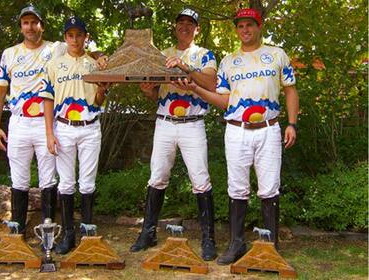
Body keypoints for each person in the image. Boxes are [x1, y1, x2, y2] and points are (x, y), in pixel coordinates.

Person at [174, 8, 299, 265]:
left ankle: (270, 246)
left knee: (269, 188)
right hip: (236, 130)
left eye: (249, 25)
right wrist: (195, 87)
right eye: (240, 26)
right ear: (236, 29)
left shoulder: (276, 54)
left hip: (269, 128)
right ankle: (236, 244)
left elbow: (290, 90)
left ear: (259, 26)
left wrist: (292, 124)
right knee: (237, 188)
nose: (245, 30)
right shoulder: (229, 61)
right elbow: (223, 101)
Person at [0, 5, 107, 236]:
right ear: (21, 27)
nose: (30, 27)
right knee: (19, 179)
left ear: (42, 26)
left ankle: (49, 231)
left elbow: (84, 49)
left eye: (34, 22)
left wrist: (101, 57)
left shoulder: (56, 49)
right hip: (19, 121)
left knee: (49, 178)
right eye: (26, 22)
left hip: (48, 122)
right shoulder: (9, 54)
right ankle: (18, 233)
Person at [130, 8, 218, 261]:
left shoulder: (204, 55)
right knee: (157, 176)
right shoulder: (162, 54)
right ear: (175, 26)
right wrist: (147, 90)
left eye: (190, 24)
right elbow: (154, 91)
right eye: (181, 23)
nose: (185, 27)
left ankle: (208, 238)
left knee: (200, 179)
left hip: (192, 122)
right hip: (165, 121)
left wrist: (185, 66)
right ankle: (148, 233)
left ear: (197, 29)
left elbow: (211, 84)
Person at [39, 17, 109, 254]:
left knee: (87, 183)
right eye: (70, 35)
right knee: (66, 183)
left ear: (85, 37)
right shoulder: (55, 64)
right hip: (64, 127)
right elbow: (47, 100)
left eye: (79, 34)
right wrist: (49, 133)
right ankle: (68, 234)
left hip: (90, 126)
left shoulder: (95, 63)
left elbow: (99, 101)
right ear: (65, 37)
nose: (75, 39)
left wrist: (102, 89)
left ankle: (88, 233)